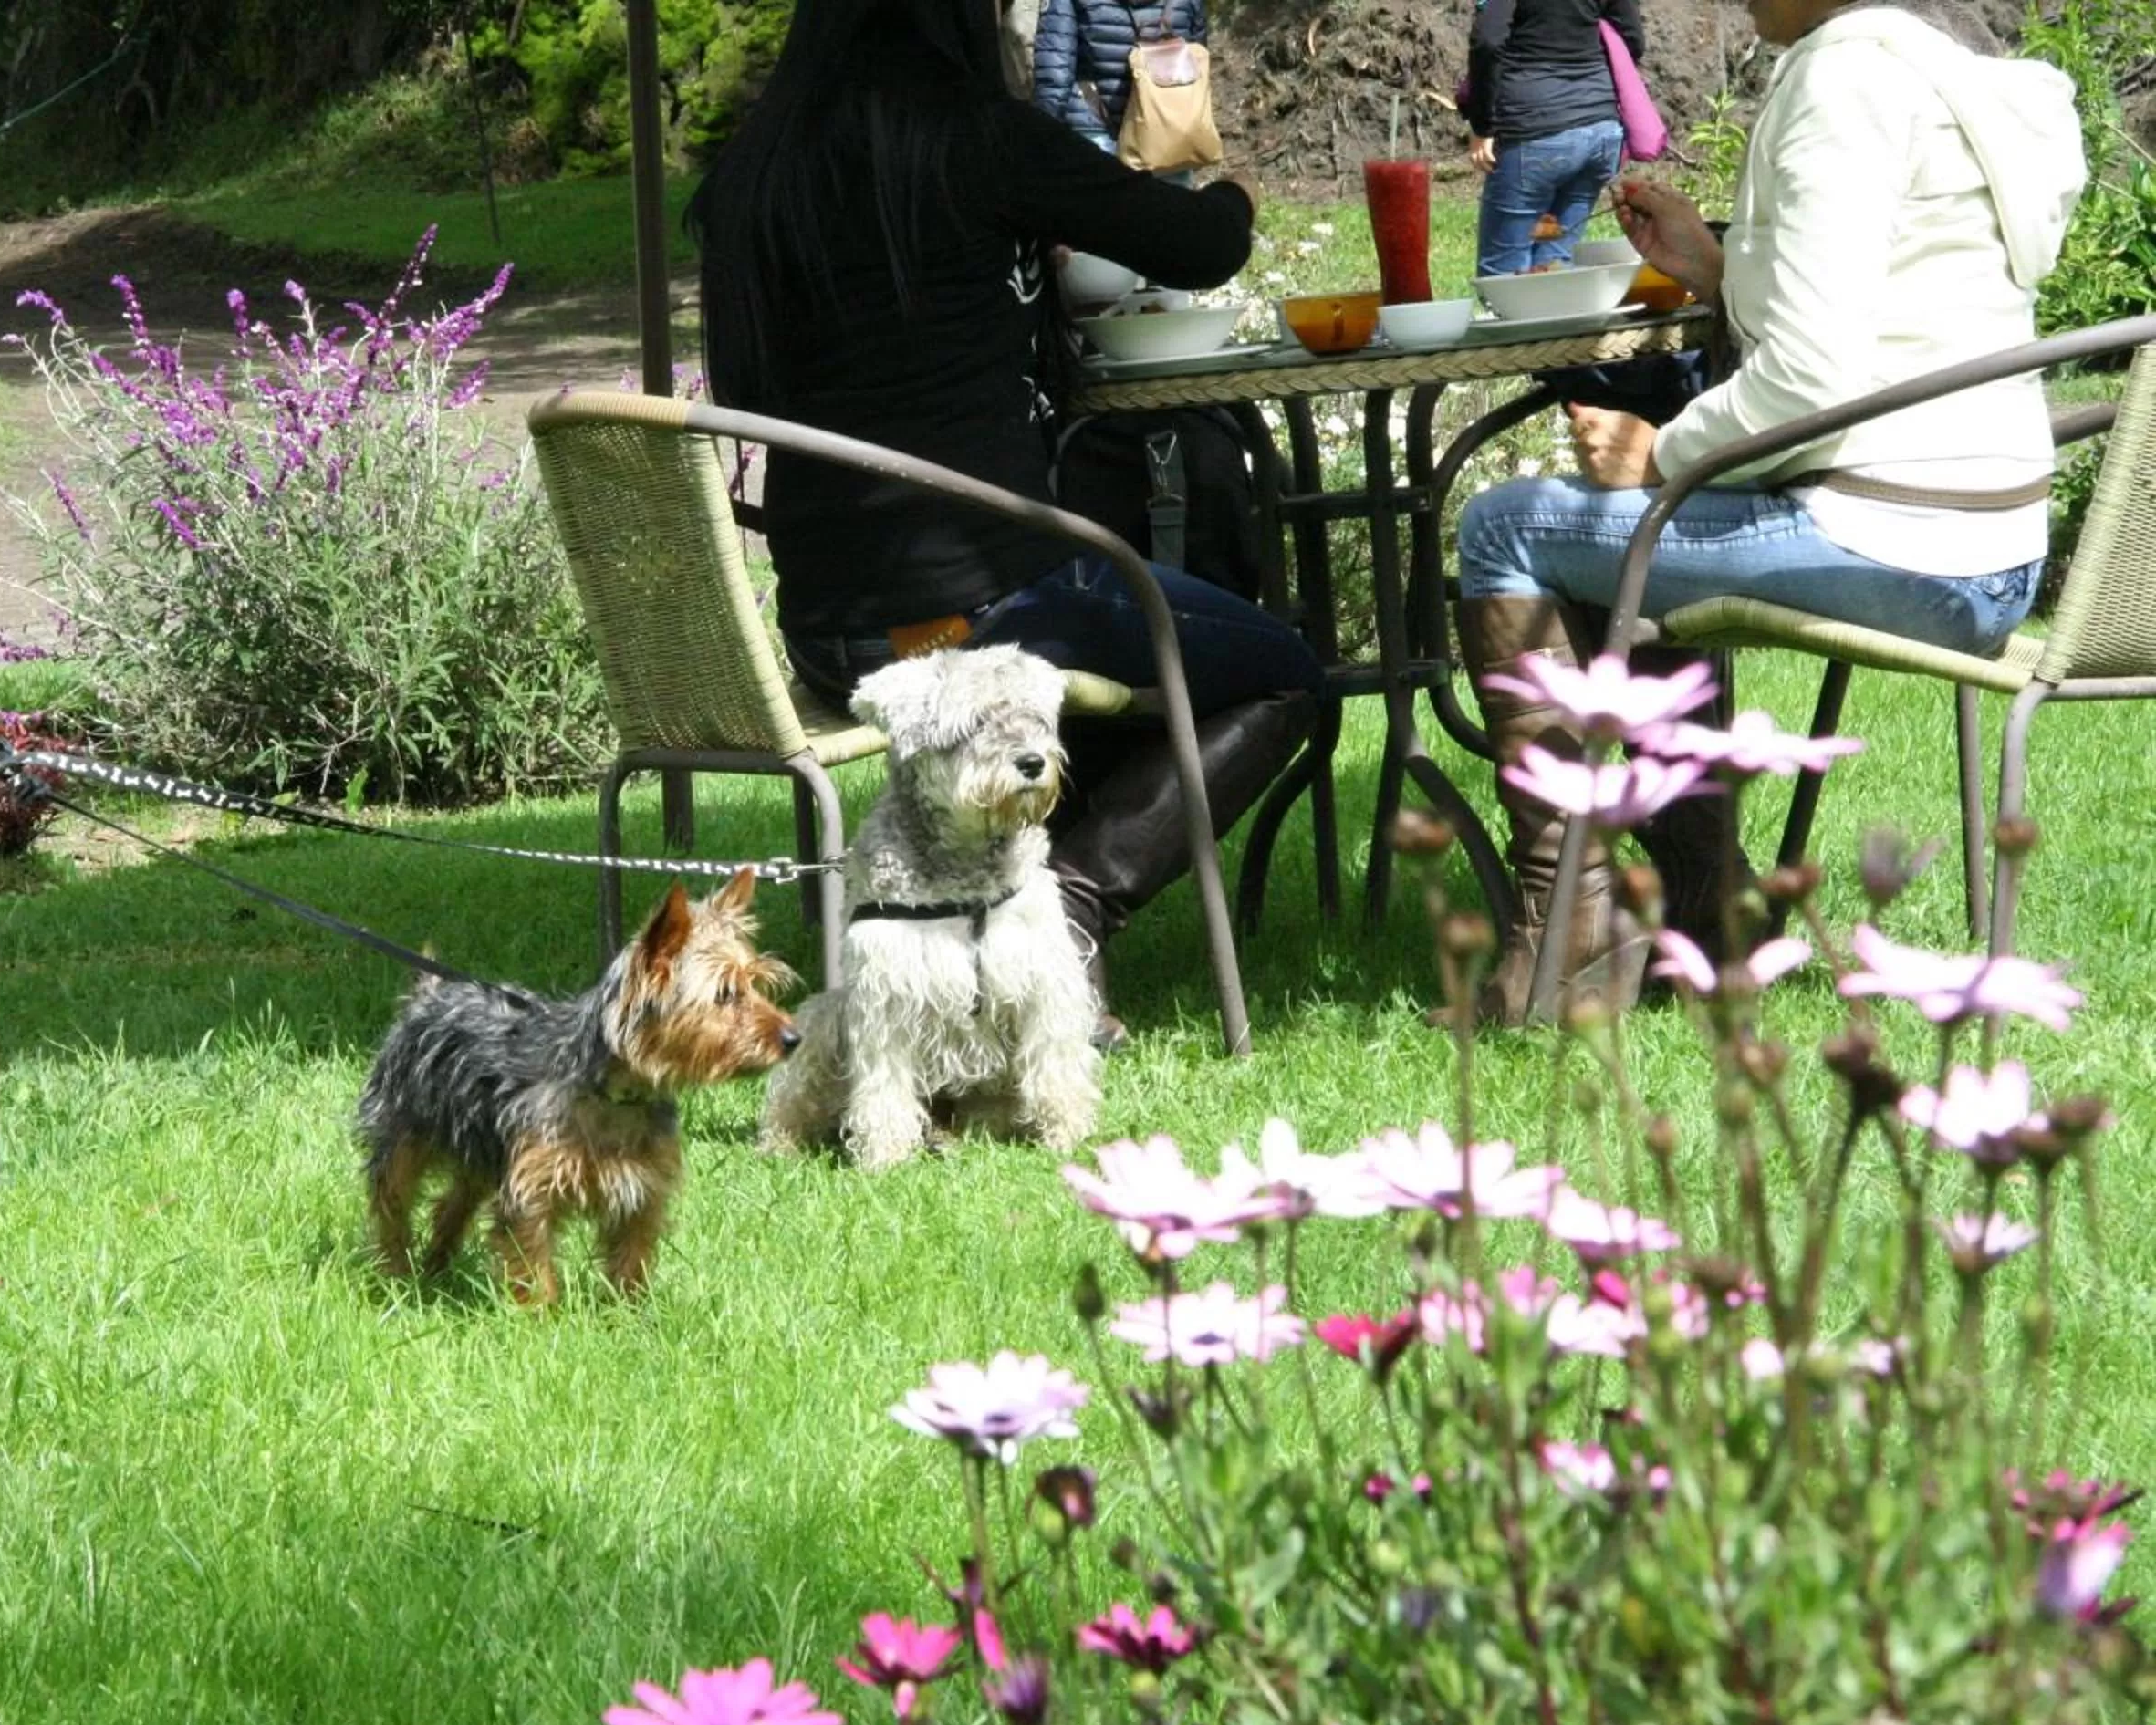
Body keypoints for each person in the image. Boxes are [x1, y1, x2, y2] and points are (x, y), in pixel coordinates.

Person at [683, 0, 1322, 1038]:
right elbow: (1201, 247)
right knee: (1285, 669)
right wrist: (1239, 194)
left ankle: (1019, 899)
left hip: (827, 626)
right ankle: (1066, 907)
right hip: (982, 611)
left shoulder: (751, 175)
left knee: (1124, 651)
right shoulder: (976, 142)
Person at [1447, 0, 2086, 1019]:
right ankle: (1709, 913)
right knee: (1627, 550)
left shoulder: (1838, 82)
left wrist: (1668, 455)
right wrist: (1715, 262)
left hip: (1893, 535)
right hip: (1990, 543)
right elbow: (1884, 304)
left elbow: (1811, 382)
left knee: (1508, 527)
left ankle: (1570, 936)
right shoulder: (1941, 73)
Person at [1463, 0, 1644, 276]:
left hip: (1535, 133)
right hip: (1601, 132)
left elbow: (1488, 41)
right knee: (1554, 267)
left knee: (1503, 279)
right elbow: (1633, 39)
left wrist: (1482, 125)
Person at [1032, 0, 1207, 154]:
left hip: (1094, 124)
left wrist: (1044, 133)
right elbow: (1196, 63)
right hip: (1167, 129)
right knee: (1169, 191)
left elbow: (1055, 69)